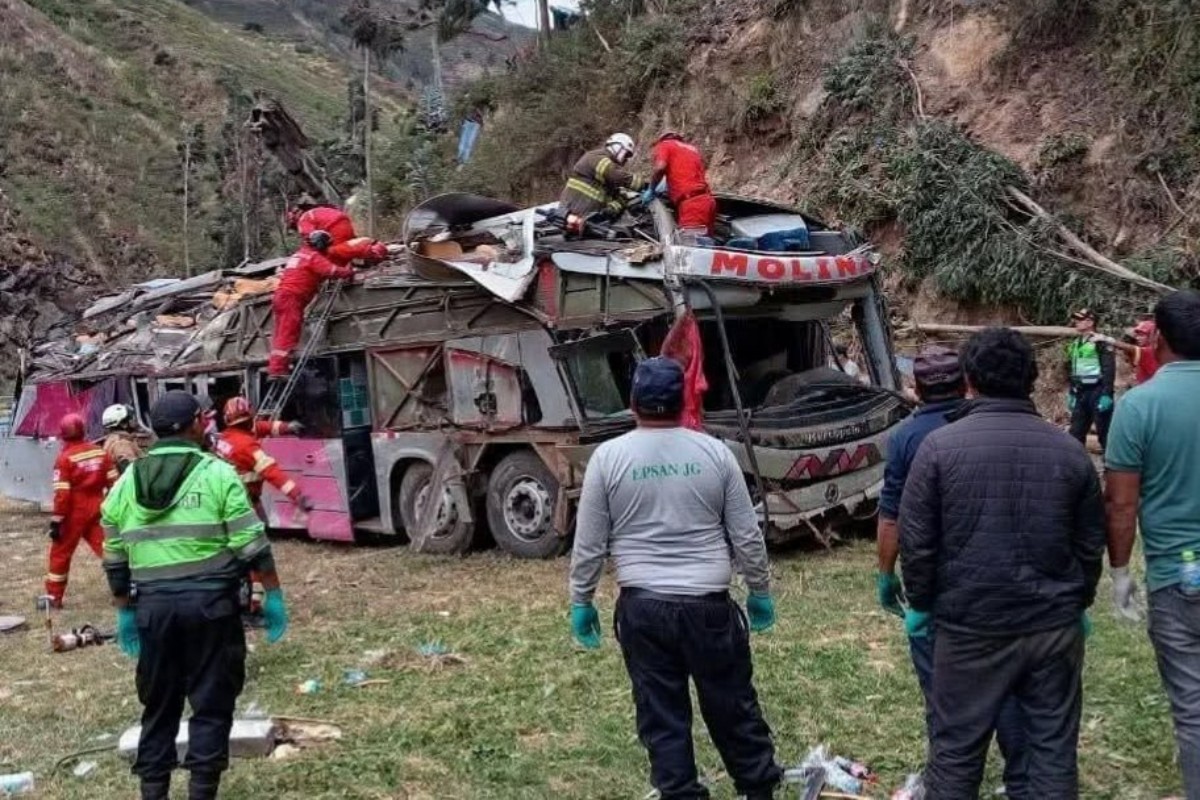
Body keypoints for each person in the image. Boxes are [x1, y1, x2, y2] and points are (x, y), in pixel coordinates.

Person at [899, 327, 1105, 800]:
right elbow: (1089, 542)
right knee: (1050, 751)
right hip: (1052, 628)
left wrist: (922, 604)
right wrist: (1079, 600)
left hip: (968, 627)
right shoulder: (1070, 452)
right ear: (1031, 379)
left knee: (956, 752)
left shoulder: (939, 449)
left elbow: (917, 541)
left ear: (969, 380)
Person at [568, 356, 782, 800]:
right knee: (733, 705)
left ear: (633, 403)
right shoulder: (714, 453)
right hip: (709, 607)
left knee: (661, 714)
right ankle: (758, 788)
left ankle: (680, 792)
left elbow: (589, 543)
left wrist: (581, 600)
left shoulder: (608, 459)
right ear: (685, 400)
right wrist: (759, 590)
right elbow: (746, 534)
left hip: (643, 609)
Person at [101, 391, 289, 800]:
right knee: (212, 706)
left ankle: (154, 793)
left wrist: (125, 611)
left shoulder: (126, 483)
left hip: (153, 610)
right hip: (211, 609)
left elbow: (114, 557)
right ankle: (202, 792)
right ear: (194, 426)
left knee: (159, 707)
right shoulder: (218, 474)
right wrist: (273, 595)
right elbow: (252, 546)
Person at [875, 346, 1029, 791]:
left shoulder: (906, 437)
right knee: (1007, 682)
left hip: (934, 584)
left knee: (942, 687)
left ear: (916, 389)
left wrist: (886, 574)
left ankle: (952, 775)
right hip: (997, 576)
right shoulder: (994, 428)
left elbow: (892, 517)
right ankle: (1021, 775)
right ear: (965, 383)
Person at [1104, 289, 1200, 798]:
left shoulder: (1138, 406)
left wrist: (1120, 572)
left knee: (1193, 706)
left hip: (1180, 573)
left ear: (1157, 338)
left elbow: (1121, 505)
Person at [268, 202, 389, 379]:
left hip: (281, 296)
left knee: (280, 333)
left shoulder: (299, 254)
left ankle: (276, 366)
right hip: (294, 298)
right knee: (288, 332)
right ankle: (278, 370)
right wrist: (349, 272)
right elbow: (331, 270)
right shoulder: (314, 256)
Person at [45, 413, 117, 608]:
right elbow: (115, 483)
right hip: (98, 507)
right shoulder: (100, 453)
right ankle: (125, 588)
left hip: (73, 513)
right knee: (110, 550)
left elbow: (62, 494)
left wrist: (57, 519)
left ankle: (54, 598)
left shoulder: (64, 459)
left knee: (60, 554)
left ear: (62, 435)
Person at [214, 396, 310, 514]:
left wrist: (286, 427)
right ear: (250, 418)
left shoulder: (225, 437)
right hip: (244, 503)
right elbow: (272, 472)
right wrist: (297, 495)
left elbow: (260, 427)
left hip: (227, 498)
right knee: (258, 525)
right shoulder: (247, 447)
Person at [558, 133, 647, 221]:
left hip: (589, 221)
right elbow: (615, 176)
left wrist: (611, 209)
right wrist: (644, 185)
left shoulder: (607, 174)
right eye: (626, 154)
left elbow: (619, 196)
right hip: (571, 213)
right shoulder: (596, 157)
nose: (625, 159)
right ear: (617, 147)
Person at [1065, 308, 1116, 451]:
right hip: (1081, 391)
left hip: (1097, 391)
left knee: (1104, 431)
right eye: (1076, 319)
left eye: (1080, 319)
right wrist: (1072, 391)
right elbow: (1073, 368)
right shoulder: (1076, 343)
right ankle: (1075, 462)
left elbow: (1108, 368)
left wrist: (1107, 393)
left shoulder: (1100, 342)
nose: (1076, 322)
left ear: (1090, 322)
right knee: (1076, 432)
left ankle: (1110, 461)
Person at [648, 131, 717, 236]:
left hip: (692, 204)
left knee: (690, 243)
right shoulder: (692, 149)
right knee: (706, 242)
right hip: (707, 201)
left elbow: (660, 168)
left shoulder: (665, 145)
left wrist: (651, 189)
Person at [1095, 319, 1161, 386]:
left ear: (1151, 336)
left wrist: (1106, 338)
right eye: (1137, 335)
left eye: (1142, 335)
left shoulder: (1150, 350)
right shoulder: (1145, 350)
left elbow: (1129, 348)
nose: (1138, 338)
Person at [101, 403, 145, 475]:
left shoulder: (111, 441)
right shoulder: (121, 444)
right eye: (129, 419)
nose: (133, 421)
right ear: (123, 424)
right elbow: (133, 472)